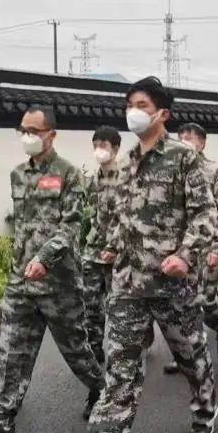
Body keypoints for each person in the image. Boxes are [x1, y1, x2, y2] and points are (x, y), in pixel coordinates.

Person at [73, 76, 218, 433]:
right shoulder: (126, 164)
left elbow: (206, 215)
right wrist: (113, 245)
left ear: (162, 113)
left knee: (190, 354)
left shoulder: (184, 158)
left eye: (140, 104)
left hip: (172, 282)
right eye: (128, 105)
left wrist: (186, 255)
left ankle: (205, 406)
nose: (132, 112)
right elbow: (125, 217)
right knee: (119, 361)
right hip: (127, 282)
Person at [0, 106, 105, 433]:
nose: (27, 136)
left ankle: (101, 389)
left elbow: (72, 226)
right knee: (12, 351)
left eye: (34, 130)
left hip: (59, 283)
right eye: (23, 130)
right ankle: (2, 420)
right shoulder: (17, 174)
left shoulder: (69, 174)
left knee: (77, 351)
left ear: (51, 135)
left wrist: (45, 258)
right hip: (20, 281)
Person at [163, 123, 218, 373]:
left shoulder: (214, 172)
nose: (183, 141)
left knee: (208, 302)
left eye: (189, 138)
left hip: (206, 249)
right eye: (180, 137)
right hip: (181, 251)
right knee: (181, 304)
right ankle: (186, 354)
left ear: (202, 143)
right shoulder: (172, 170)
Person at [80, 126, 122, 367]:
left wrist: (114, 246)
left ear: (115, 149)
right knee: (91, 306)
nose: (98, 150)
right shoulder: (93, 179)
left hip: (118, 252)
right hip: (94, 249)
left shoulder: (127, 177)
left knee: (118, 306)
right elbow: (94, 215)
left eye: (103, 146)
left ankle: (123, 353)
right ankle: (95, 351)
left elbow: (128, 217)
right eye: (95, 146)